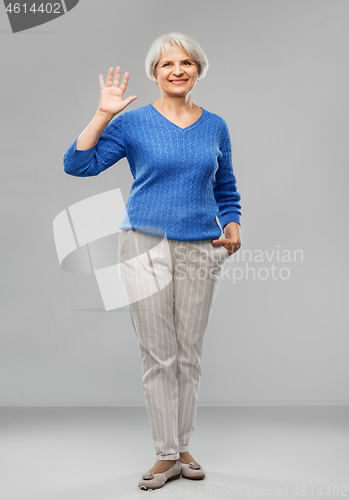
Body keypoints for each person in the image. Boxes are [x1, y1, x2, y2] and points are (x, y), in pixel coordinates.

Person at [63, 31, 242, 491]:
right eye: (167, 65)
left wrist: (233, 222)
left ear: (198, 70)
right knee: (158, 355)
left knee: (189, 354)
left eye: (186, 63)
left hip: (202, 247)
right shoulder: (134, 123)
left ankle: (184, 448)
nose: (178, 71)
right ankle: (165, 454)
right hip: (143, 245)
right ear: (155, 74)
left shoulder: (215, 124)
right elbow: (77, 165)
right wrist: (104, 114)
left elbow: (226, 187)